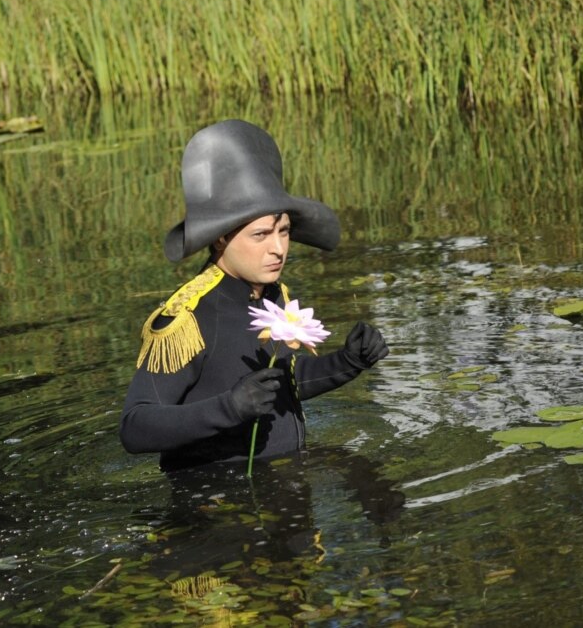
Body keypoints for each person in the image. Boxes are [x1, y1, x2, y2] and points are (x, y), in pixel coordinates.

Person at [121, 119, 389, 472]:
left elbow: (282, 385)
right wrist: (229, 408)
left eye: (284, 231)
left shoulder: (273, 294)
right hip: (215, 507)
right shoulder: (186, 320)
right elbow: (135, 427)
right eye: (260, 235)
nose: (278, 249)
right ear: (220, 237)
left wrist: (348, 361)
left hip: (286, 487)